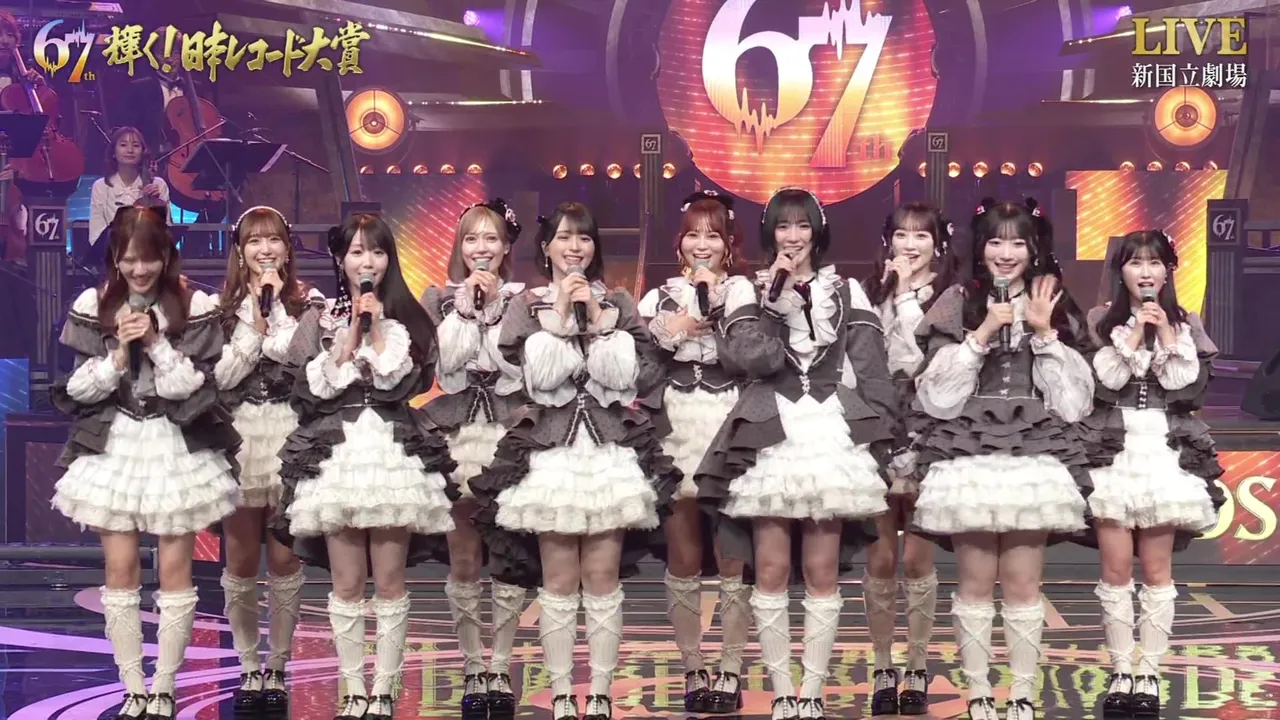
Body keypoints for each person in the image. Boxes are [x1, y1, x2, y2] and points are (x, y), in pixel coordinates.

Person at [468, 201, 679, 720]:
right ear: (546, 247)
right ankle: (563, 693)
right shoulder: (527, 306)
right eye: (563, 237)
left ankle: (601, 693)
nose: (574, 247)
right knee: (559, 580)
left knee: (602, 577)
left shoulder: (619, 302)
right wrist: (561, 312)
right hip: (551, 454)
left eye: (583, 238)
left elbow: (630, 378)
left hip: (608, 453)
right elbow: (538, 379)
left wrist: (602, 324)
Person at [696, 187, 898, 720]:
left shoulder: (847, 290)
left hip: (830, 433)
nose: (793, 236)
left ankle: (812, 693)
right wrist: (773, 301)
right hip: (771, 432)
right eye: (783, 226)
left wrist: (882, 441)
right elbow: (752, 360)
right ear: (771, 233)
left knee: (822, 570)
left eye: (803, 225)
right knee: (769, 568)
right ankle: (782, 692)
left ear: (817, 231)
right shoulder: (747, 288)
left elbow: (872, 371)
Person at [49, 206, 241, 720]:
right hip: (116, 443)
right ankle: (132, 686)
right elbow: (77, 389)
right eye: (129, 259)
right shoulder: (94, 303)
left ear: (166, 257)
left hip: (173, 441)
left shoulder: (193, 303)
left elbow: (191, 387)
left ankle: (165, 687)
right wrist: (118, 355)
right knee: (120, 568)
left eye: (149, 259)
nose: (139, 270)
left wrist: (155, 342)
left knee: (175, 569)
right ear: (115, 257)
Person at [910, 197, 1095, 720]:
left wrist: (1044, 332)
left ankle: (1022, 696)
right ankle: (977, 697)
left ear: (1034, 249)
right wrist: (984, 332)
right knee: (973, 584)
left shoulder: (1053, 299)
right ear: (980, 247)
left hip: (1030, 456)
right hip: (970, 453)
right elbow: (937, 398)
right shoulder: (957, 300)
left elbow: (1075, 405)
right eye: (995, 241)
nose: (1006, 253)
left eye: (1017, 242)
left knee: (1022, 585)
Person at [271, 213, 457, 720]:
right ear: (340, 259)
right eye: (356, 251)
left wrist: (375, 330)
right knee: (347, 582)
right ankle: (352, 688)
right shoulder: (320, 319)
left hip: (390, 452)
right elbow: (311, 389)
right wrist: (352, 329)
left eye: (376, 251)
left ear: (388, 260)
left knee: (390, 581)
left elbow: (402, 381)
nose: (366, 261)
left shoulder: (407, 320)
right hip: (339, 455)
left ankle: (385, 689)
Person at [1081, 229, 1224, 718]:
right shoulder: (1100, 320)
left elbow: (1183, 384)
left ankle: (1149, 672)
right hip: (1115, 449)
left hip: (1162, 448)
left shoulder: (1185, 323)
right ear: (1120, 270)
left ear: (1168, 271)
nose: (1146, 272)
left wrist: (1164, 333)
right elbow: (1106, 379)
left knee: (1157, 569)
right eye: (1136, 263)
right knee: (1116, 568)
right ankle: (1121, 670)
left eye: (1155, 263)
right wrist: (1133, 334)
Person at [638, 190, 751, 714]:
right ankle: (692, 667)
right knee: (683, 554)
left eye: (713, 235)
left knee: (732, 555)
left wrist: (720, 311)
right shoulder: (656, 298)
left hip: (730, 421)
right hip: (676, 425)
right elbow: (638, 373)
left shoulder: (746, 292)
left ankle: (731, 668)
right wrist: (673, 329)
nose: (702, 244)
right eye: (692, 234)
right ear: (679, 242)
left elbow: (757, 357)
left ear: (729, 243)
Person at [420, 198, 528, 717]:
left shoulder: (526, 300)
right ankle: (471, 666)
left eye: (490, 238)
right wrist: (467, 310)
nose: (480, 248)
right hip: (457, 431)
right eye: (471, 238)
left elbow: (520, 371)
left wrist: (495, 311)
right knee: (463, 558)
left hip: (509, 429)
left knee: (507, 555)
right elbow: (445, 368)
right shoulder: (439, 298)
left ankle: (500, 666)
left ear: (506, 247)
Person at [213, 206, 323, 714]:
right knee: (239, 559)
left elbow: (302, 363)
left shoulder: (308, 304)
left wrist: (273, 311)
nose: (265, 249)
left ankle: (277, 665)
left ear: (287, 248)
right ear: (240, 252)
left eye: (273, 239)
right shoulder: (218, 309)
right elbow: (222, 377)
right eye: (254, 241)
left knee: (283, 558)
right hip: (240, 438)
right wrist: (252, 323)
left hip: (289, 435)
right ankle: (247, 665)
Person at [859, 202, 955, 716]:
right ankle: (882, 666)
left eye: (921, 236)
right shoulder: (868, 292)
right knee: (880, 558)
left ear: (938, 243)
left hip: (928, 425)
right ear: (888, 241)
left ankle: (917, 664)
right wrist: (889, 294)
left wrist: (904, 297)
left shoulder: (950, 296)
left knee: (917, 559)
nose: (910, 244)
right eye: (901, 235)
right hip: (876, 426)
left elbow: (926, 357)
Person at [89, 127, 170, 246]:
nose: (130, 150)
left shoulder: (158, 184)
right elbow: (96, 233)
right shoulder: (100, 186)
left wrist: (157, 205)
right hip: (113, 252)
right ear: (113, 152)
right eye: (123, 145)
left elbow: (166, 233)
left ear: (143, 152)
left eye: (136, 145)